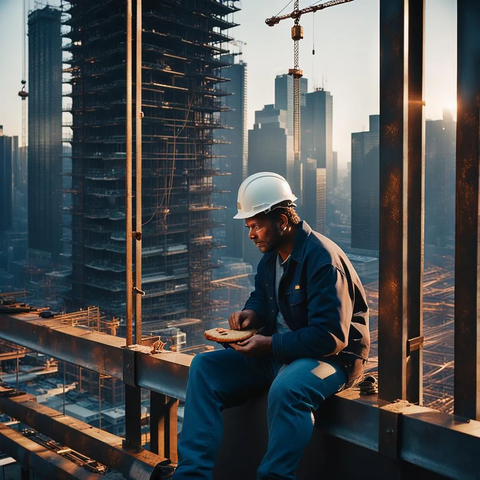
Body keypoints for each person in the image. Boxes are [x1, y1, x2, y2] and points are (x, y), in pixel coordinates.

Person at [172, 171, 370, 480]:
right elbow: (262, 299)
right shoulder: (271, 258)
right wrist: (251, 315)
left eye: (256, 225)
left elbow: (330, 337)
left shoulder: (322, 260)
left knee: (289, 388)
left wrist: (269, 345)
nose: (251, 234)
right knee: (204, 368)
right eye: (249, 226)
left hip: (331, 361)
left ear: (281, 220)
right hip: (280, 354)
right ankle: (191, 476)